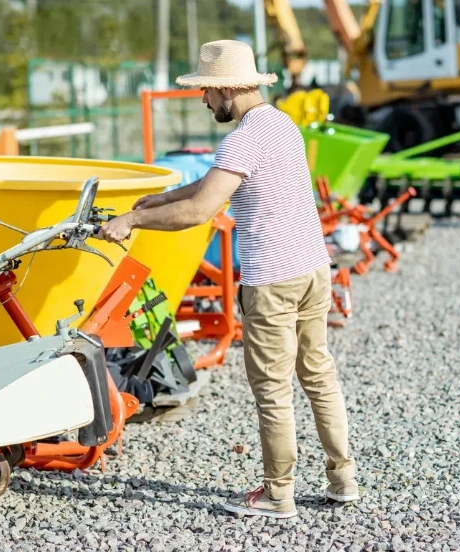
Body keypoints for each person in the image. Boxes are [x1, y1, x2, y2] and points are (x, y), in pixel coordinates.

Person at [96, 39, 358, 519]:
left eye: (208, 91)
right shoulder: (281, 125)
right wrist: (163, 196)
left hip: (272, 280)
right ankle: (343, 479)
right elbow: (218, 181)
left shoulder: (241, 138)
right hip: (313, 270)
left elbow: (200, 211)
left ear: (228, 88)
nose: (204, 100)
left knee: (274, 391)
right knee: (319, 376)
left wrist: (130, 222)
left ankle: (279, 495)